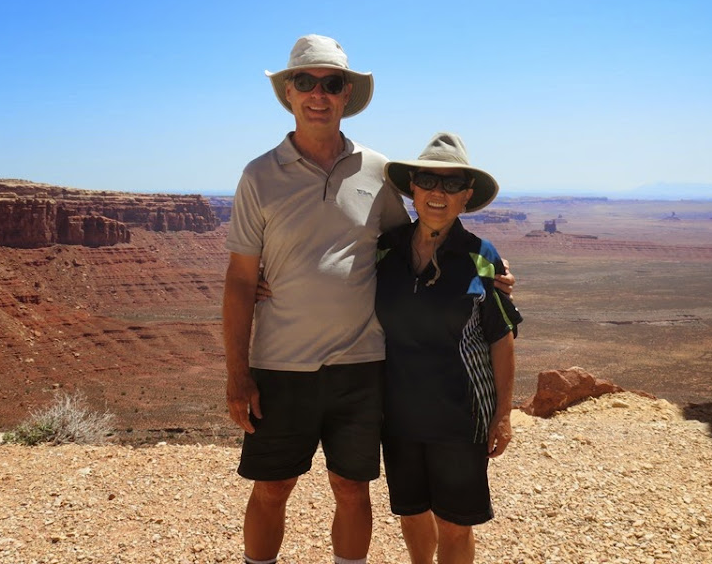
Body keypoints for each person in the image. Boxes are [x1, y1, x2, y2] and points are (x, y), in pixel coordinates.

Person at [222, 35, 515, 564]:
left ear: (346, 94)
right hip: (280, 365)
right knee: (271, 486)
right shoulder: (258, 175)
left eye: (332, 83)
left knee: (352, 489)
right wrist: (237, 374)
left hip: (361, 368)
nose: (318, 94)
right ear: (289, 92)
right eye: (306, 81)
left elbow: (416, 239)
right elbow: (241, 280)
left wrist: (488, 266)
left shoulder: (375, 171)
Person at [375, 132, 522, 564]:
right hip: (398, 414)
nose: (438, 193)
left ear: (466, 195)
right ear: (412, 188)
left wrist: (504, 414)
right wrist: (268, 281)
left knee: (456, 524)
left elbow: (501, 338)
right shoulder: (385, 249)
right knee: (411, 513)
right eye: (428, 181)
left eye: (452, 184)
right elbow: (334, 280)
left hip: (461, 417)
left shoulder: (481, 256)